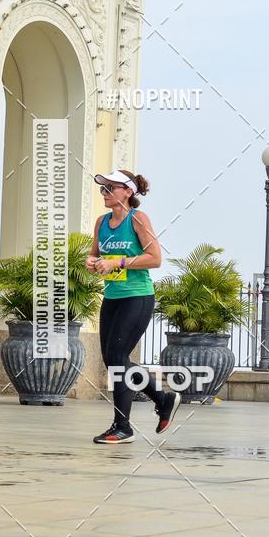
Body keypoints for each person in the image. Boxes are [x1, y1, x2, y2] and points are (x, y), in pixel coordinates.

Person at [87, 169, 180, 443]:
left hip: (137, 297)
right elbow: (94, 254)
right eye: (102, 189)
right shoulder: (101, 222)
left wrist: (118, 262)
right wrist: (92, 263)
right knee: (114, 360)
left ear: (128, 191)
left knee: (117, 359)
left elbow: (155, 258)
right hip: (113, 296)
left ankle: (123, 427)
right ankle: (162, 399)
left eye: (110, 188)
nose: (104, 193)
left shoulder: (137, 219)